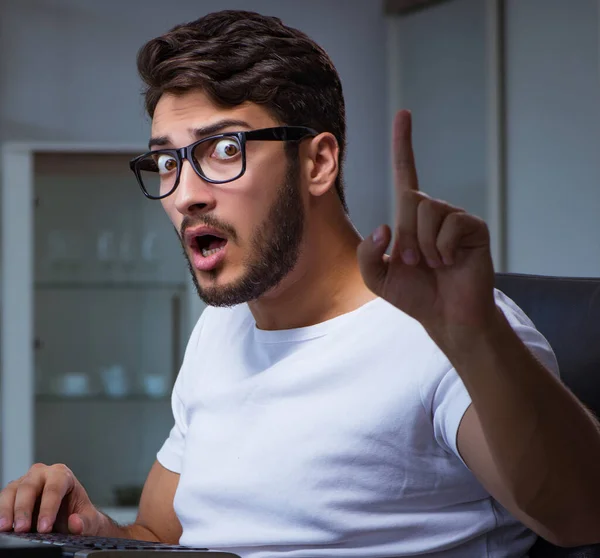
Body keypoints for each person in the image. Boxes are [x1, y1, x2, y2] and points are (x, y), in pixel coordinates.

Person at [1, 9, 600, 557]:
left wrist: (475, 335)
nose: (185, 195)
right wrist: (91, 529)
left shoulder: (440, 334)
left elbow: (583, 518)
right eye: (167, 162)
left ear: (317, 163)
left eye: (223, 149)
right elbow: (160, 536)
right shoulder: (222, 328)